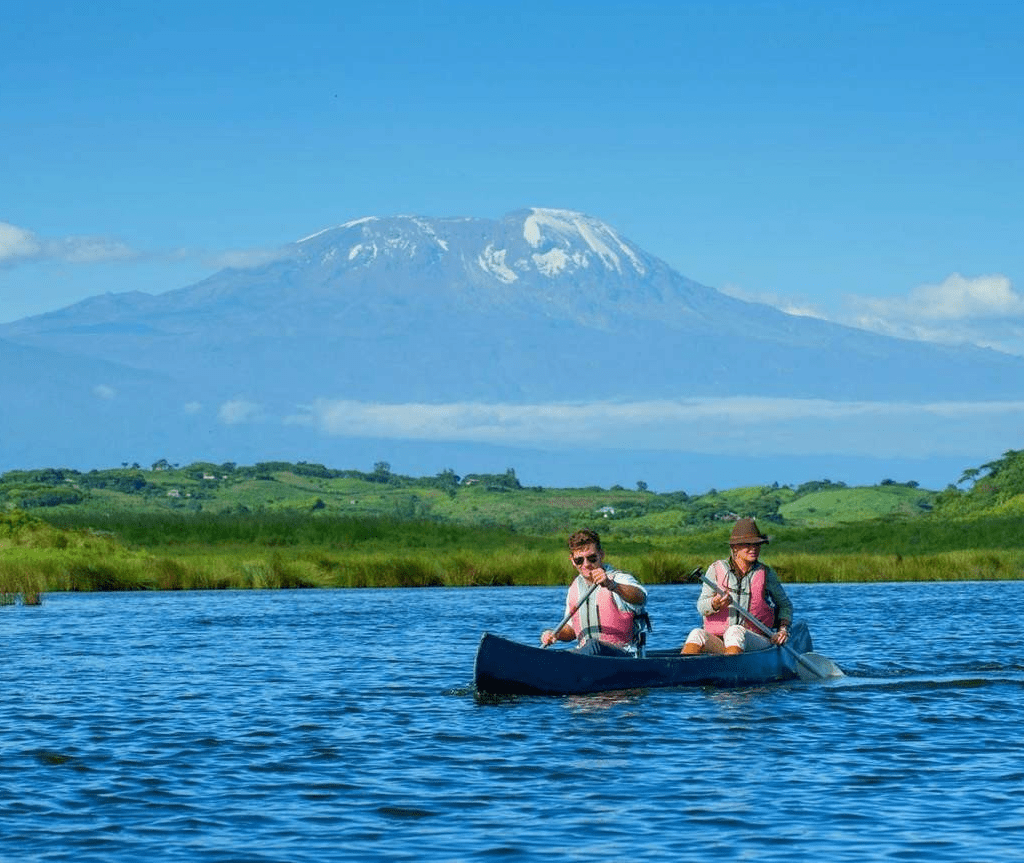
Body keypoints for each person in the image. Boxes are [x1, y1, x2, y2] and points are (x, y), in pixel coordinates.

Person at [681, 517, 793, 655]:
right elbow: (701, 606)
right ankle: (682, 671)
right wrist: (715, 604)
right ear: (735, 547)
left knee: (735, 631)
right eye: (748, 544)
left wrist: (783, 630)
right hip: (722, 641)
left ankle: (729, 672)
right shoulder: (715, 569)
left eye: (757, 545)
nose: (754, 549)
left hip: (756, 641)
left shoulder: (766, 573)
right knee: (696, 633)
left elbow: (785, 605)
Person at [540, 529, 650, 656]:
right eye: (579, 560)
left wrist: (612, 585)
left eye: (592, 558)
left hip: (623, 656)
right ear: (572, 560)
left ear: (601, 555)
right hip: (587, 657)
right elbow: (572, 631)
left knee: (593, 645)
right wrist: (556, 634)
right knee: (576, 650)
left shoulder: (618, 579)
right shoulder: (574, 588)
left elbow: (641, 598)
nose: (586, 565)